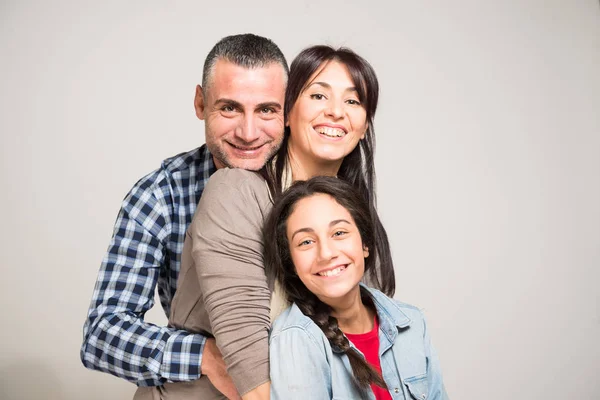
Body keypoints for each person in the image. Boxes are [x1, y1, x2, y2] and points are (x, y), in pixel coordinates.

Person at [156, 45, 394, 399]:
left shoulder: (357, 218)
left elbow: (370, 345)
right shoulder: (236, 191)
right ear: (286, 112)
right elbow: (248, 356)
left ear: (363, 126)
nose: (335, 112)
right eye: (318, 95)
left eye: (353, 101)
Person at [80, 33, 288, 400]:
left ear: (288, 112)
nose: (248, 132)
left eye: (267, 110)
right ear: (200, 102)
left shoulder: (309, 182)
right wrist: (207, 357)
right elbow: (101, 334)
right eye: (230, 108)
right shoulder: (161, 195)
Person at [264, 177, 448, 399]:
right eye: (306, 242)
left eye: (339, 233)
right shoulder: (295, 340)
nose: (326, 254)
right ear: (291, 264)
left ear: (365, 244)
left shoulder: (411, 322)